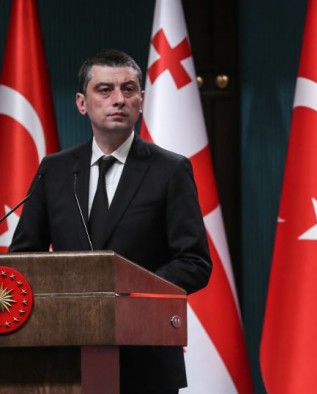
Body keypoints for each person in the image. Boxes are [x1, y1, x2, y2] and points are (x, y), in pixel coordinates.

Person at [10, 49, 212, 393]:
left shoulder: (170, 170)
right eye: (105, 90)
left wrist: (126, 294)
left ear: (141, 100)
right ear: (81, 102)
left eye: (128, 89)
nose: (118, 99)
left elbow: (194, 262)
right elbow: (23, 261)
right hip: (63, 357)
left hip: (146, 361)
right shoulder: (55, 170)